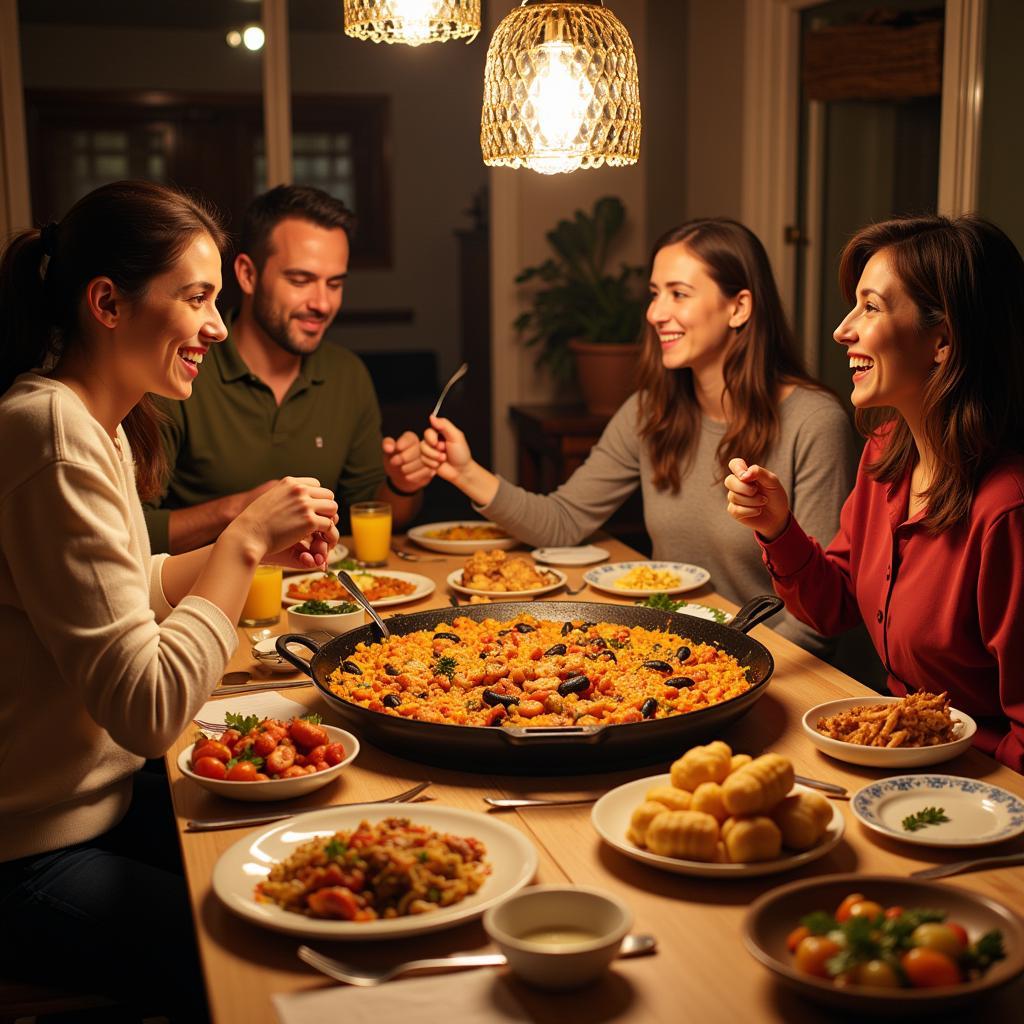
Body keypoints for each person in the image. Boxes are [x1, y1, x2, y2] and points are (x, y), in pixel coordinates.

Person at [0, 180, 340, 1021]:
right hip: (30, 851)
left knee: (309, 850)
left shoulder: (98, 421)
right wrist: (241, 543)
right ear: (108, 302)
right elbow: (146, 711)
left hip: (102, 803)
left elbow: (128, 591)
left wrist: (223, 557)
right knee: (277, 961)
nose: (218, 327)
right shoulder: (48, 432)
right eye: (197, 298)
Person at [421, 218, 857, 655]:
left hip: (762, 663)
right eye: (654, 293)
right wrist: (464, 471)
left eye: (678, 294)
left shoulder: (813, 421)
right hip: (670, 652)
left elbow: (818, 618)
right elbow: (564, 521)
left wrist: (731, 670)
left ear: (739, 307)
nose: (654, 313)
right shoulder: (650, 410)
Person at [725, 214, 1024, 771]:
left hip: (975, 790)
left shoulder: (1007, 509)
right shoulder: (886, 453)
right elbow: (833, 606)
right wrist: (777, 527)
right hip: (893, 755)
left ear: (943, 340)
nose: (843, 330)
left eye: (872, 306)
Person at [143, 184, 430, 555]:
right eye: (300, 280)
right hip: (202, 598)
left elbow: (376, 514)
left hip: (318, 594)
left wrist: (403, 483)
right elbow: (131, 530)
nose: (322, 304)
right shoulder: (180, 369)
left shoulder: (346, 374)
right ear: (247, 274)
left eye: (335, 283)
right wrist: (240, 512)